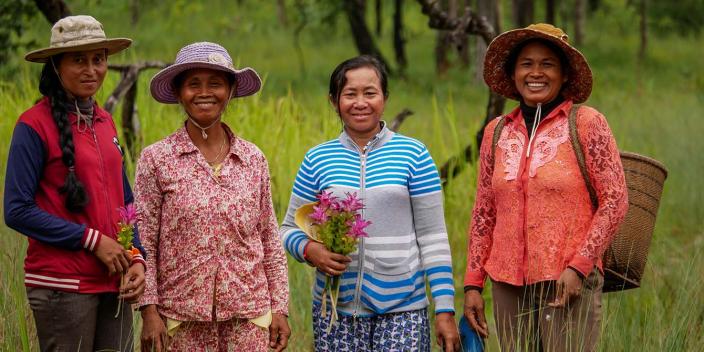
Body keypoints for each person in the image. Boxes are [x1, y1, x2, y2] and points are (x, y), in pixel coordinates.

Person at [463, 23, 629, 351]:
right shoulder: (497, 131)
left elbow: (615, 200)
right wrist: (472, 283)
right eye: (526, 64)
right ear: (513, 74)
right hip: (507, 283)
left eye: (547, 64)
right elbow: (484, 211)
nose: (536, 73)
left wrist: (579, 267)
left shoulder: (586, 123)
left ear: (564, 74)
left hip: (568, 281)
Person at [280, 55, 460, 352]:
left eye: (370, 93)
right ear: (334, 101)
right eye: (350, 94)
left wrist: (444, 308)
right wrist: (312, 251)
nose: (360, 102)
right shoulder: (317, 159)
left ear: (385, 99)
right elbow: (287, 229)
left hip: (404, 309)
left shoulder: (413, 154)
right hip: (335, 309)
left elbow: (433, 237)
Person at [135, 42, 290, 352]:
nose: (204, 92)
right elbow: (144, 242)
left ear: (230, 91)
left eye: (215, 84)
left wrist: (280, 309)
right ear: (179, 93)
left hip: (250, 316)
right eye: (193, 84)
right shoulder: (157, 159)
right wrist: (149, 312)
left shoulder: (252, 158)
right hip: (181, 318)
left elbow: (269, 238)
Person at [3, 15, 146, 351]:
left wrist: (136, 257)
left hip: (114, 281)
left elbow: (125, 202)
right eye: (79, 59)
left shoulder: (105, 121)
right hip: (61, 286)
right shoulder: (32, 126)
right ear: (55, 65)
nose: (91, 70)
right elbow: (16, 210)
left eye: (99, 60)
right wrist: (92, 240)